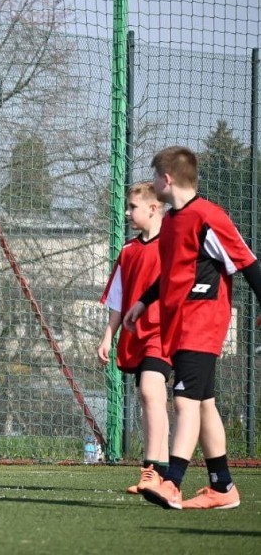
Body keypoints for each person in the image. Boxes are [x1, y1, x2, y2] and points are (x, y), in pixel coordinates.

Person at [123, 146, 261, 510]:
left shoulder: (207, 216)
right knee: (203, 405)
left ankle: (173, 482)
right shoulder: (170, 222)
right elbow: (170, 275)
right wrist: (143, 301)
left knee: (184, 401)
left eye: (155, 178)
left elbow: (247, 263)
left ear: (167, 180)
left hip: (202, 323)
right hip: (178, 325)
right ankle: (222, 487)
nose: (153, 184)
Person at [98, 182, 172, 495]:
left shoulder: (172, 245)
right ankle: (165, 471)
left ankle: (152, 470)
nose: (127, 213)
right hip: (136, 336)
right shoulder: (128, 251)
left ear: (154, 209)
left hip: (164, 333)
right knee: (149, 398)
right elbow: (118, 298)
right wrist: (107, 336)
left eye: (133, 208)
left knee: (150, 391)